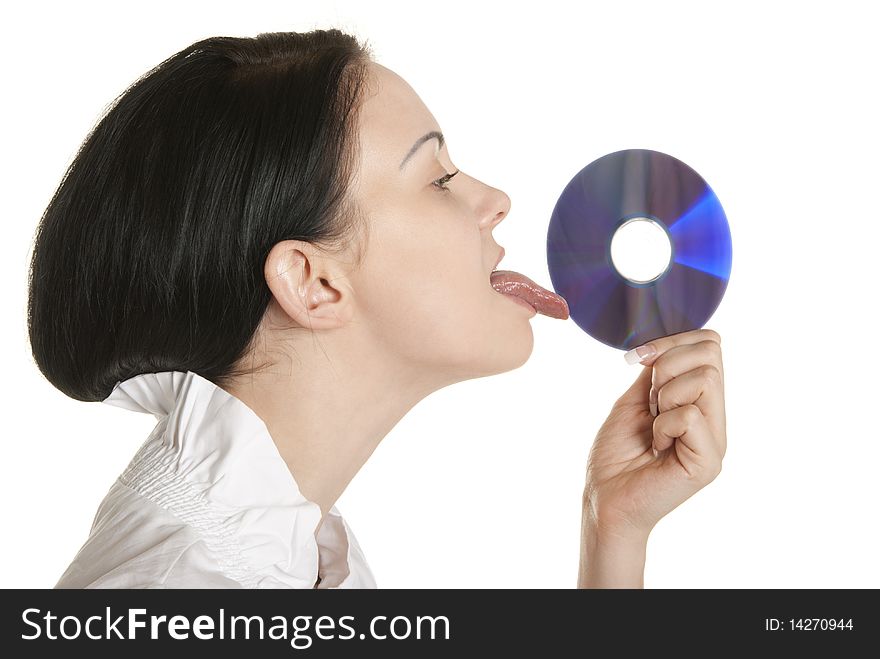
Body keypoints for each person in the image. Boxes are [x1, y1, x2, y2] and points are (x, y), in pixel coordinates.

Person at [27, 29, 726, 589]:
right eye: (440, 178)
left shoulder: (303, 553)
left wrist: (614, 526)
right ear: (313, 282)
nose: (495, 201)